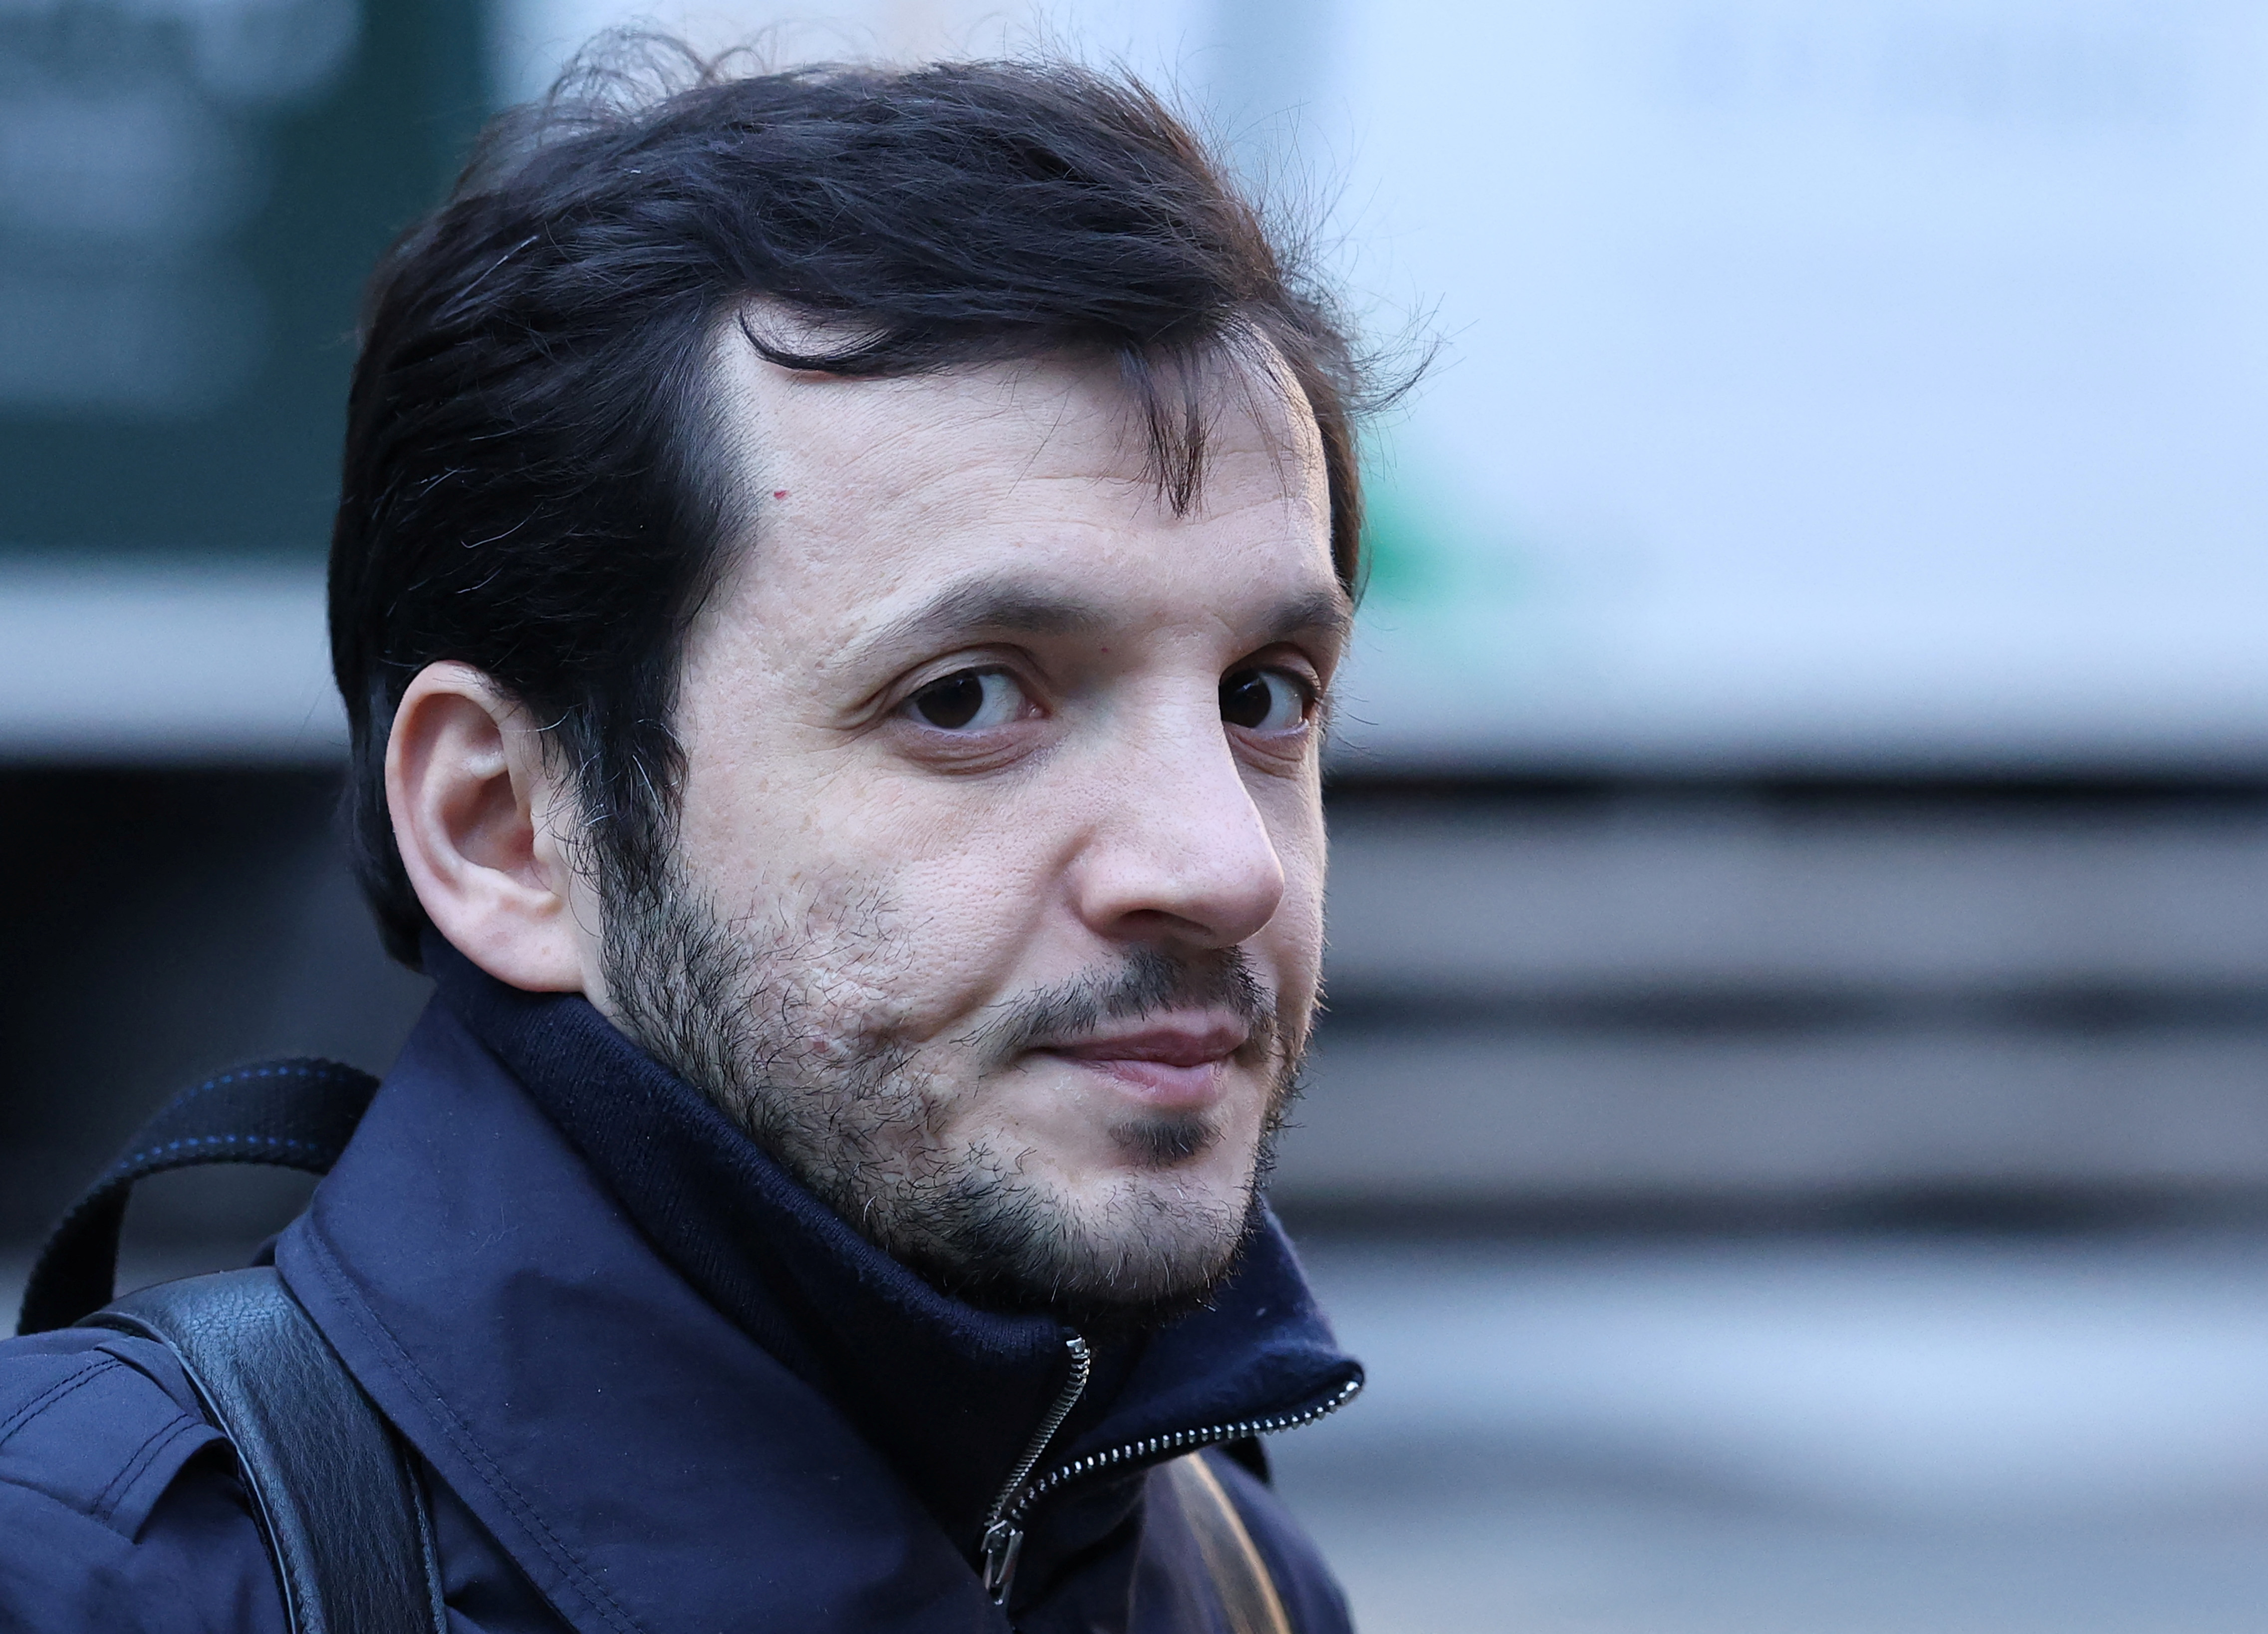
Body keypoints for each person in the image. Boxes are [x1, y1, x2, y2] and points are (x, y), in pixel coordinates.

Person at [0, 42, 1384, 1633]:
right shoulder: (94, 1582)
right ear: (507, 829)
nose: (1224, 864)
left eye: (1265, 695)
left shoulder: (1233, 1574)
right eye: (966, 699)